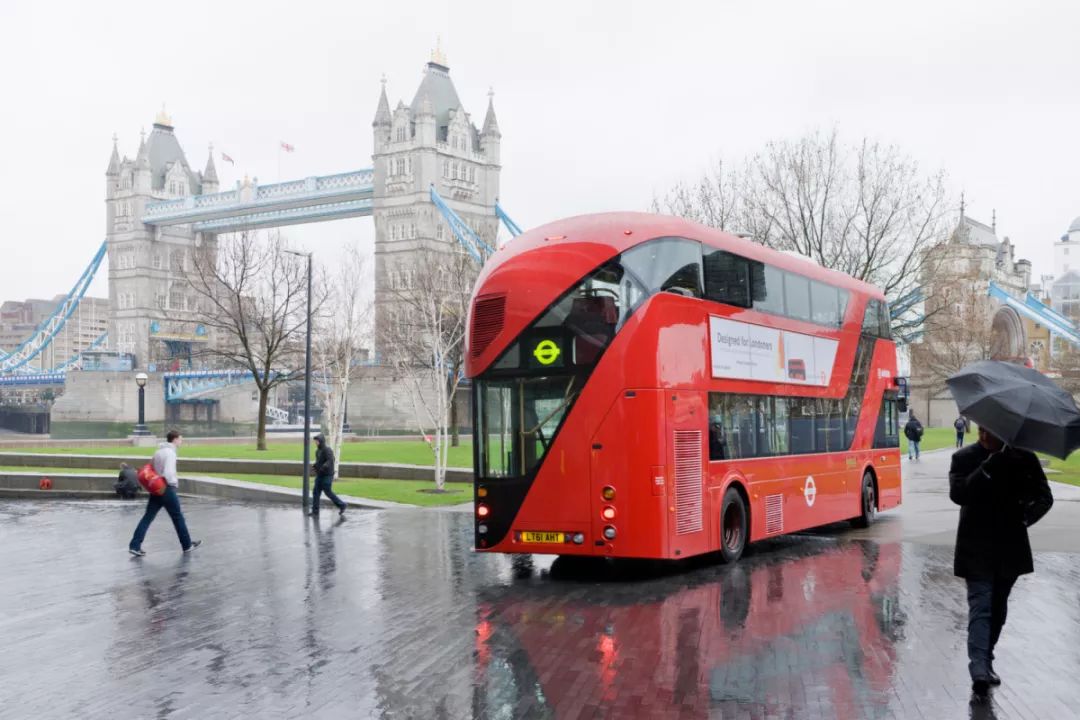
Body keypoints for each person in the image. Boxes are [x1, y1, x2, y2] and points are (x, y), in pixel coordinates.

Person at [949, 426, 1053, 701]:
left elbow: (1045, 497)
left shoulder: (1023, 458)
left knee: (998, 607)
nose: (984, 436)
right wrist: (986, 467)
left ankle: (987, 656)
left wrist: (1025, 518)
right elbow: (959, 494)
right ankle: (979, 669)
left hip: (1009, 547)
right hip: (976, 547)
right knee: (980, 606)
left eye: (991, 432)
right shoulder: (965, 458)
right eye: (981, 430)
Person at [128, 430, 202, 556]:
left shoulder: (159, 451)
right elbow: (168, 473)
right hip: (166, 488)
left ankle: (135, 545)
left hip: (156, 488)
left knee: (148, 517)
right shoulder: (170, 453)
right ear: (174, 439)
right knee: (178, 517)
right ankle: (187, 545)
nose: (181, 441)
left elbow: (153, 468)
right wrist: (173, 483)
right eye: (180, 439)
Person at [310, 434, 346, 517]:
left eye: (317, 441)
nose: (316, 442)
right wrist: (315, 465)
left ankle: (342, 505)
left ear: (321, 441)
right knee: (315, 492)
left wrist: (324, 466)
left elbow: (330, 460)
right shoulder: (317, 451)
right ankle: (315, 511)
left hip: (327, 475)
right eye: (315, 441)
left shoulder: (327, 450)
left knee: (327, 491)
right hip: (320, 474)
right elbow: (319, 461)